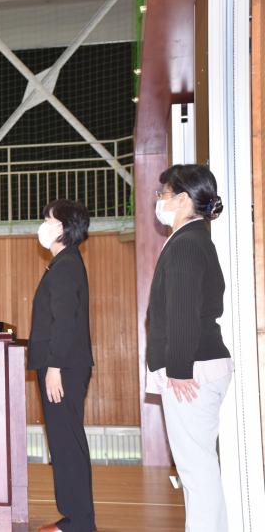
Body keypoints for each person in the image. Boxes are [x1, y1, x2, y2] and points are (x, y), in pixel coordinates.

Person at [146, 164, 232, 532]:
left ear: (182, 200)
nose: (159, 201)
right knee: (199, 469)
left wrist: (179, 370)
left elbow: (182, 312)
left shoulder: (185, 244)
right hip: (200, 367)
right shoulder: (195, 240)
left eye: (163, 194)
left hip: (191, 372)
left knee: (196, 472)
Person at [28, 199, 96, 532]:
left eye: (48, 219)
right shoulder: (64, 263)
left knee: (67, 444)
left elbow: (65, 322)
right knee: (64, 442)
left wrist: (54, 367)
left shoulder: (66, 265)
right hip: (63, 366)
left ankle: (77, 523)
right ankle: (74, 519)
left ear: (64, 227)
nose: (43, 224)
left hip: (63, 368)